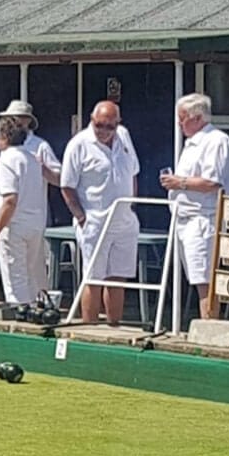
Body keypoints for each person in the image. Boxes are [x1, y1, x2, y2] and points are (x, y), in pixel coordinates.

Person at [60, 101, 141, 326]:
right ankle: (90, 328)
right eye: (99, 125)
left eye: (109, 126)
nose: (104, 131)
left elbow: (133, 173)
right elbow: (66, 186)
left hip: (124, 220)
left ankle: (114, 326)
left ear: (118, 123)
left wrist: (131, 205)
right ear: (91, 119)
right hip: (95, 220)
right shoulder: (78, 144)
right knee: (93, 278)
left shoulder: (124, 136)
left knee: (118, 277)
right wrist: (82, 218)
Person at [160, 93, 229, 319]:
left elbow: (212, 182)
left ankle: (210, 328)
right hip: (185, 219)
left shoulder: (216, 141)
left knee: (206, 278)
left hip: (205, 218)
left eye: (182, 118)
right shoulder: (192, 143)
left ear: (196, 117)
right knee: (196, 277)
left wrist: (179, 182)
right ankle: (206, 325)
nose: (178, 123)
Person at [0, 118, 48, 305]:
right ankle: (33, 311)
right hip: (36, 223)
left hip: (13, 225)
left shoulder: (6, 160)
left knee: (15, 280)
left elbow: (9, 201)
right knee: (31, 275)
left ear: (4, 137)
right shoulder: (32, 159)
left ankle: (20, 316)